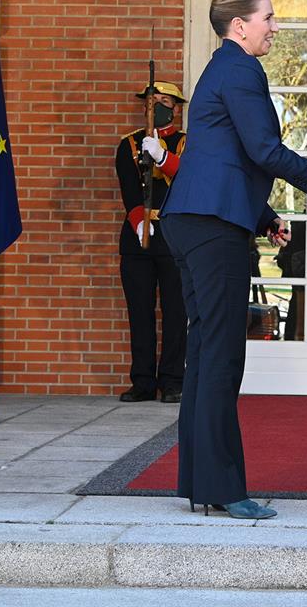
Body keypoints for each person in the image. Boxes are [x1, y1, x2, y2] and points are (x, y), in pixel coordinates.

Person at [161, 0, 307, 521]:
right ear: (239, 25)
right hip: (212, 226)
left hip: (192, 219)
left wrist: (266, 216)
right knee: (221, 356)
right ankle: (223, 488)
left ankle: (202, 482)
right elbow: (263, 150)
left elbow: (219, 154)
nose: (274, 26)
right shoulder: (243, 69)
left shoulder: (219, 69)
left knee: (204, 353)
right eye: (268, 17)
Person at [115, 81, 188, 404]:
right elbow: (129, 190)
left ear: (176, 108)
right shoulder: (128, 144)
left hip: (174, 236)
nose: (155, 106)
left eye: (162, 101)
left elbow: (187, 180)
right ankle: (143, 381)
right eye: (150, 101)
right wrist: (139, 221)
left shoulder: (186, 144)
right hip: (139, 238)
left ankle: (172, 380)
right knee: (140, 312)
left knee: (176, 311)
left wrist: (162, 157)